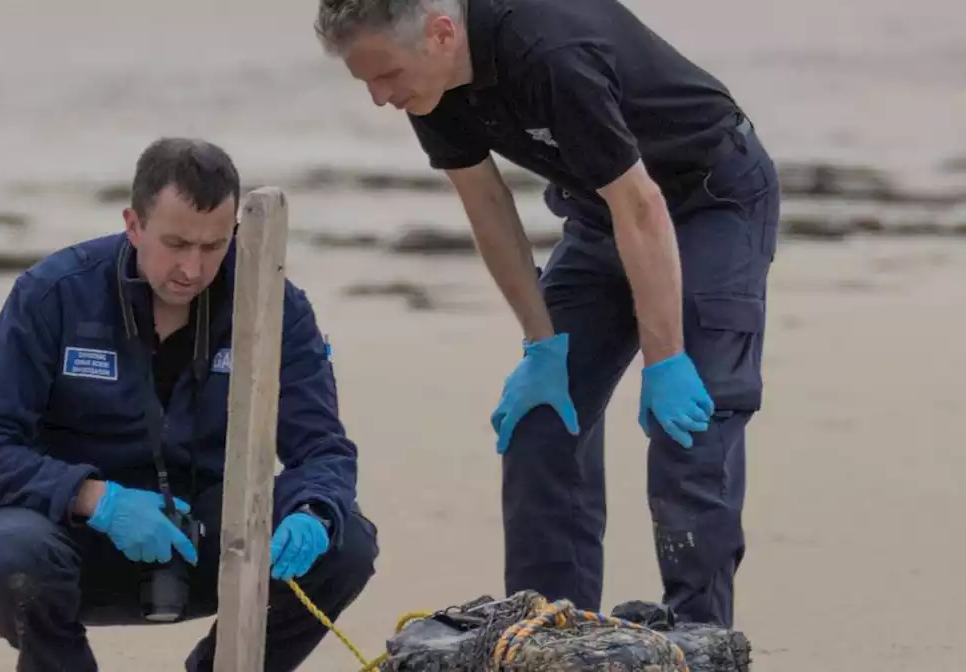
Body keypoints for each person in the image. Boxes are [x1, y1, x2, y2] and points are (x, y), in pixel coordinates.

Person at [313, 0, 779, 629]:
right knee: (541, 421)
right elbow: (487, 204)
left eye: (386, 76)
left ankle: (699, 635)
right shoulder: (429, 85)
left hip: (710, 198)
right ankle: (550, 635)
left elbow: (641, 205)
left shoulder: (549, 51)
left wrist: (666, 358)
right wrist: (541, 345)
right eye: (366, 81)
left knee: (688, 430)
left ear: (441, 34)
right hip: (600, 213)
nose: (379, 97)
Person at [0, 137, 379, 671]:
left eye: (213, 246)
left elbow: (324, 451)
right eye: (175, 243)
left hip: (215, 539)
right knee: (6, 553)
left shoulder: (274, 304)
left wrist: (314, 511)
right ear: (133, 224)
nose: (191, 270)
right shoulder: (52, 293)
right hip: (79, 540)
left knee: (346, 539)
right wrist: (96, 498)